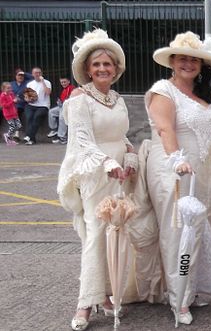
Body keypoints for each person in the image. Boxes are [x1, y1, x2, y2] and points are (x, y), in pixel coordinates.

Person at [56, 29, 137, 330]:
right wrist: (108, 163)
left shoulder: (117, 98)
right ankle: (84, 304)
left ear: (116, 68)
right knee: (94, 237)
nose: (103, 69)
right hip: (94, 173)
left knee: (113, 236)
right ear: (87, 70)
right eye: (97, 64)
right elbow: (83, 140)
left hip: (119, 176)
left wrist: (129, 157)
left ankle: (105, 296)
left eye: (108, 64)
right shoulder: (79, 98)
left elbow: (122, 135)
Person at [145, 31, 211, 325]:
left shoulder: (204, 97)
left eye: (194, 59)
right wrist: (177, 160)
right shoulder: (163, 90)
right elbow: (166, 129)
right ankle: (178, 299)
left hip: (202, 172)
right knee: (178, 232)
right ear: (173, 62)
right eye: (183, 58)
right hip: (173, 170)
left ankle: (192, 289)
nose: (188, 64)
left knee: (200, 230)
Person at [23, 67, 52, 145]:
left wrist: (43, 82)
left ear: (41, 73)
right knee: (29, 117)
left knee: (37, 116)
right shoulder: (30, 84)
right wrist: (28, 99)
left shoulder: (47, 82)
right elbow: (26, 96)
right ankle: (32, 139)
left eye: (39, 72)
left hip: (43, 105)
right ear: (32, 74)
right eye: (36, 73)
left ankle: (29, 136)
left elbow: (48, 93)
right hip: (31, 104)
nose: (38, 74)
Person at [48, 76, 76, 144]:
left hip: (69, 107)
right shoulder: (63, 89)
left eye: (64, 82)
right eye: (62, 82)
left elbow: (70, 100)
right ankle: (54, 129)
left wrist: (62, 103)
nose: (63, 83)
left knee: (62, 117)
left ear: (68, 81)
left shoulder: (71, 88)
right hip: (62, 106)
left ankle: (62, 136)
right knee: (51, 112)